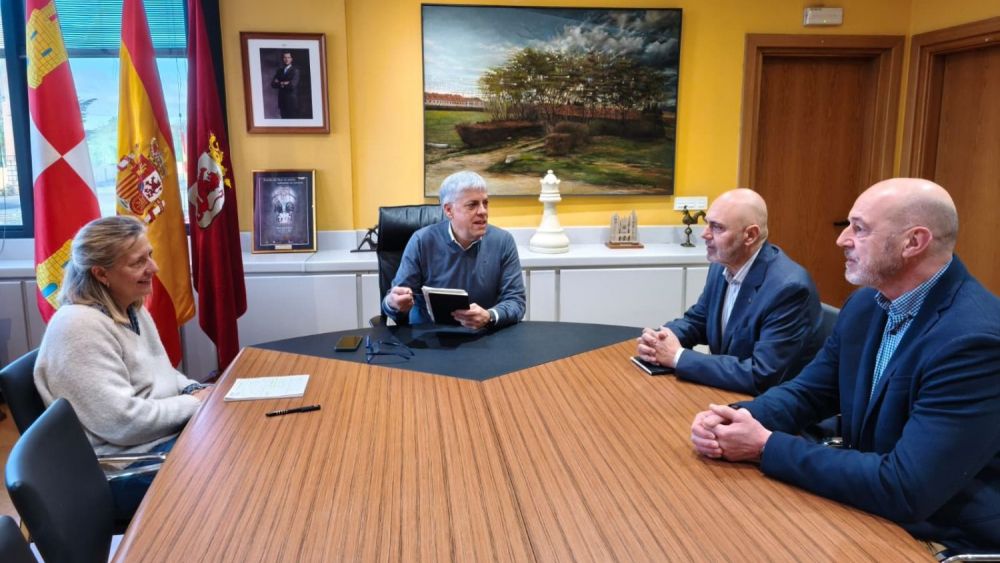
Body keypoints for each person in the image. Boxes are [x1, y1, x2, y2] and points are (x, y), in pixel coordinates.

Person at [690, 178, 1000, 554]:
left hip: (937, 535)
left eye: (860, 228)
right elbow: (809, 392)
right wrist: (736, 418)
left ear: (913, 242)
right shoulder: (866, 305)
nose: (842, 239)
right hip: (866, 505)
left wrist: (764, 446)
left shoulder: (975, 341)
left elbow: (906, 488)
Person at [34, 216, 212, 522]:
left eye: (150, 256)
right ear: (101, 273)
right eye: (138, 262)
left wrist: (195, 390)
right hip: (121, 470)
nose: (154, 268)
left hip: (154, 445)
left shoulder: (130, 307)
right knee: (232, 468)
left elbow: (163, 372)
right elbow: (121, 422)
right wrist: (194, 404)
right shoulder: (79, 326)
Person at [636, 188, 822, 395]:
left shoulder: (789, 289)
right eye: (707, 223)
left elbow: (761, 375)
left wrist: (678, 357)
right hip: (724, 391)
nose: (704, 234)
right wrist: (662, 339)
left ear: (750, 235)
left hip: (767, 403)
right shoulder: (722, 265)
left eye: (717, 227)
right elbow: (700, 320)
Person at [383, 170, 526, 329]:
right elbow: (394, 304)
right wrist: (393, 304)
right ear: (448, 210)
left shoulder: (503, 241)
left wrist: (489, 316)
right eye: (472, 205)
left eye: (485, 203)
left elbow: (516, 302)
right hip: (430, 336)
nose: (483, 211)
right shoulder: (421, 241)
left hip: (483, 335)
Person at [270, 51, 299, 118]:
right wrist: (284, 83)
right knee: (283, 120)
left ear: (291, 59)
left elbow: (292, 86)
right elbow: (273, 84)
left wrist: (279, 82)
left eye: (288, 57)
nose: (286, 59)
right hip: (282, 101)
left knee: (292, 122)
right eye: (285, 57)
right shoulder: (279, 71)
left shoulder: (295, 71)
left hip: (291, 102)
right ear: (283, 59)